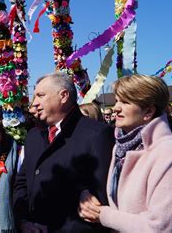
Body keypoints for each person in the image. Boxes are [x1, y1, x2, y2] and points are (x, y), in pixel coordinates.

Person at [78, 74, 172, 232]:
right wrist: (87, 197)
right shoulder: (122, 147)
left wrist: (103, 215)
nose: (116, 108)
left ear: (148, 111)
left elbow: (161, 228)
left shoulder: (171, 154)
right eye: (117, 100)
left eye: (125, 102)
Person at [13, 72, 114, 232]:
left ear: (64, 95)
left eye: (40, 95)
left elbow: (99, 200)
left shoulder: (97, 135)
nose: (34, 104)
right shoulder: (33, 136)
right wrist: (23, 221)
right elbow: (22, 184)